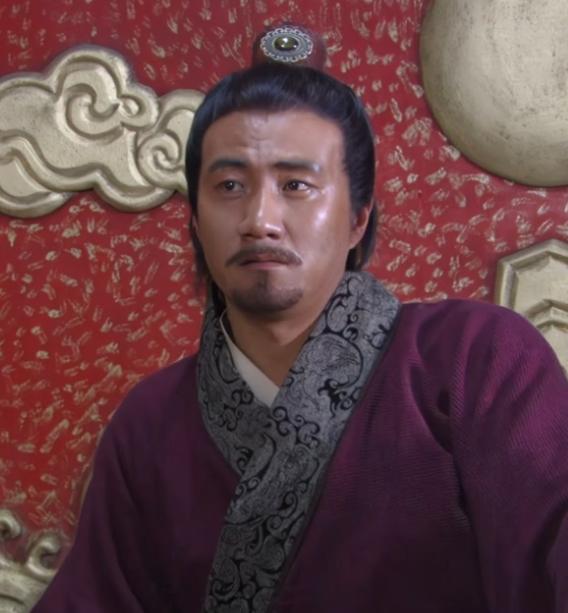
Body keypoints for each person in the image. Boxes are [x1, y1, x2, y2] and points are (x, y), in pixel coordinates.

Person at [32, 28, 568, 613]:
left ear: (358, 218)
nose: (260, 219)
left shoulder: (475, 361)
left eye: (296, 185)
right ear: (196, 222)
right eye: (230, 185)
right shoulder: (150, 423)